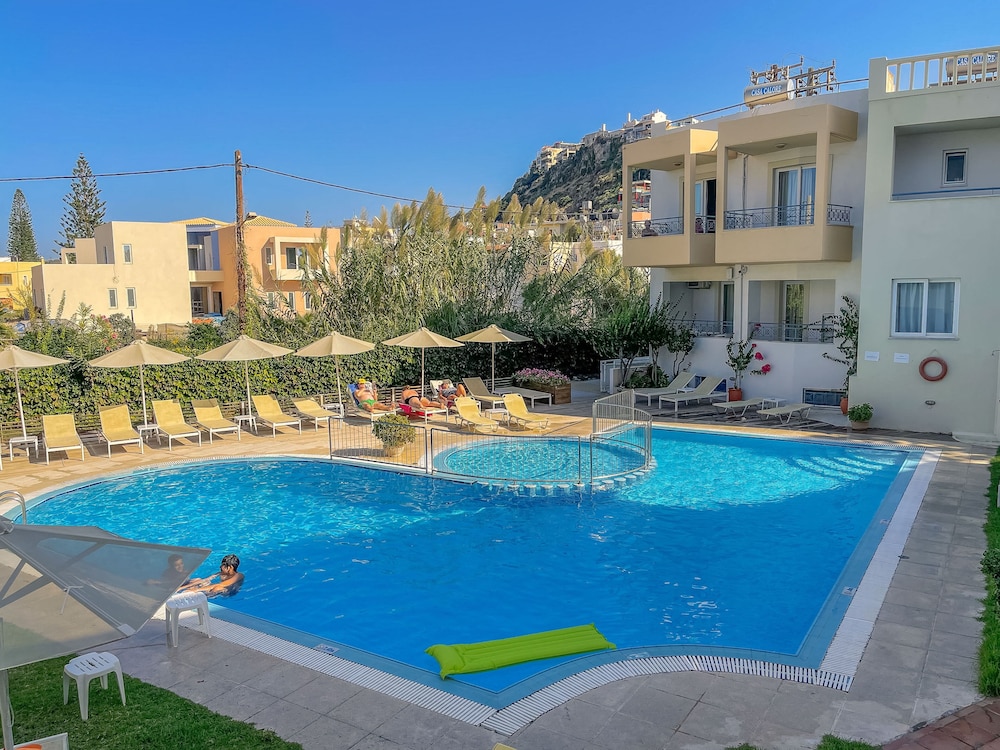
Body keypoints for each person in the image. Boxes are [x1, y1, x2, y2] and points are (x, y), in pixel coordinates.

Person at [179, 553, 244, 598]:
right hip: (216, 588)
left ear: (230, 567)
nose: (220, 567)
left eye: (223, 565)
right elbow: (205, 580)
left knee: (217, 588)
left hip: (228, 592)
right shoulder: (221, 573)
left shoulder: (238, 575)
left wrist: (196, 590)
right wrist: (182, 587)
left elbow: (221, 585)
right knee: (197, 580)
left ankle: (201, 597)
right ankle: (184, 591)